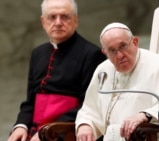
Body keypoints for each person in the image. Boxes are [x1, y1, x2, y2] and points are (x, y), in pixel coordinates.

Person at [75, 22, 159, 141]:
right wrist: (85, 125)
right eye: (112, 51)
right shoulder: (103, 70)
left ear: (135, 42)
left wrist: (145, 115)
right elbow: (90, 109)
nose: (119, 55)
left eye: (123, 46)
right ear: (104, 52)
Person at [7, 0, 106, 141]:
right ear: (43, 22)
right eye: (52, 17)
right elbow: (31, 101)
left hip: (66, 131)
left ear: (75, 20)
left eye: (65, 17)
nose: (58, 22)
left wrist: (47, 131)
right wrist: (20, 126)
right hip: (34, 130)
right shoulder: (38, 53)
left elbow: (90, 105)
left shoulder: (92, 54)